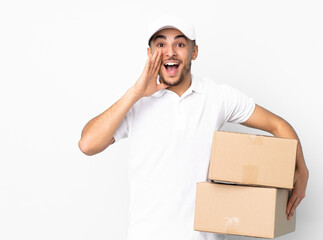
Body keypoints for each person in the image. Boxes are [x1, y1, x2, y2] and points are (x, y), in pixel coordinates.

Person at [78, 15, 309, 240]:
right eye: (161, 44)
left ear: (194, 52)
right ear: (149, 54)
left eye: (180, 44)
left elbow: (278, 125)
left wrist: (301, 170)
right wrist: (136, 92)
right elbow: (87, 144)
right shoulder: (135, 103)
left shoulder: (218, 96)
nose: (170, 52)